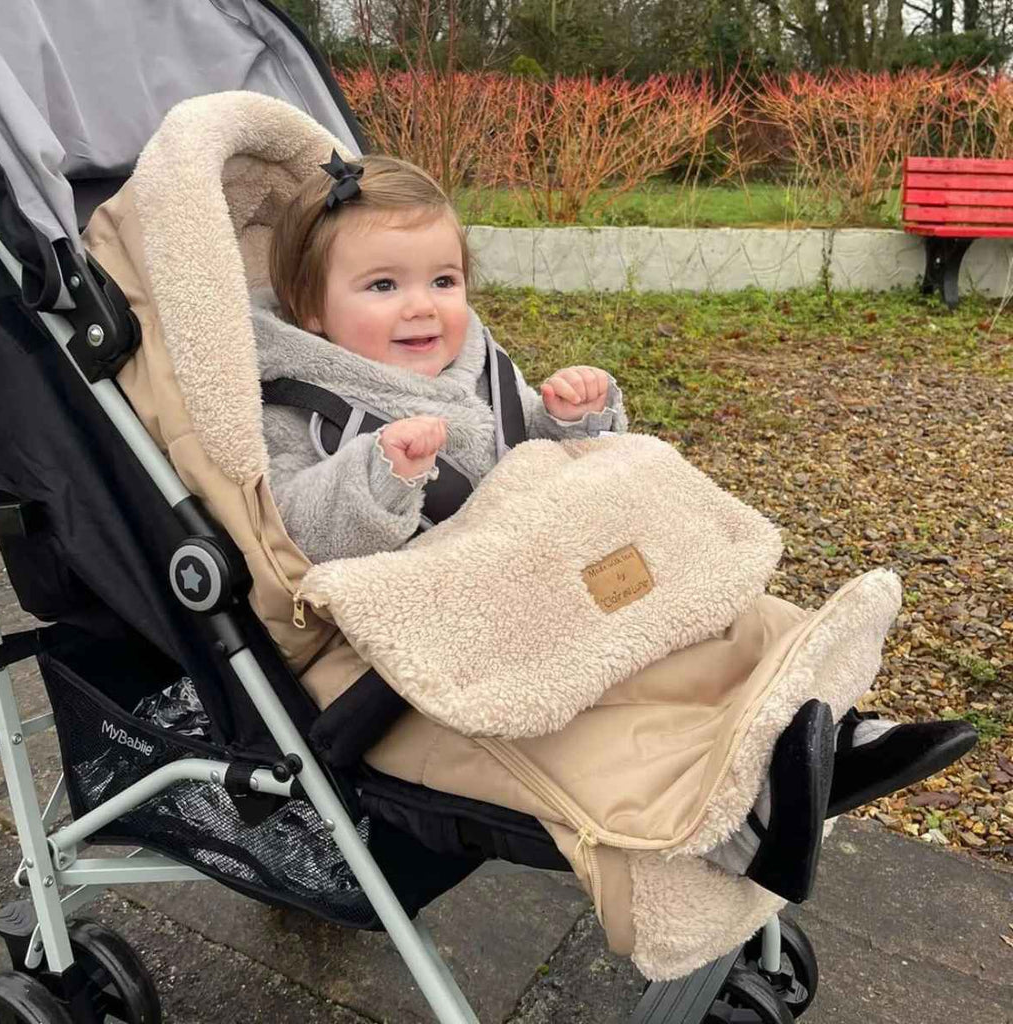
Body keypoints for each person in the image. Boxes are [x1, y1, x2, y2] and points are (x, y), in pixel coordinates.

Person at [251, 152, 977, 903]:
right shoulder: (301, 408)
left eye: (443, 281)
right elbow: (298, 528)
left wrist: (569, 419)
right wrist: (379, 476)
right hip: (463, 612)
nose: (423, 307)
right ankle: (727, 816)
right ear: (311, 308)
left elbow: (522, 448)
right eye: (383, 286)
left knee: (693, 605)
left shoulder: (470, 363)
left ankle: (824, 710)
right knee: (612, 704)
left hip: (544, 564)